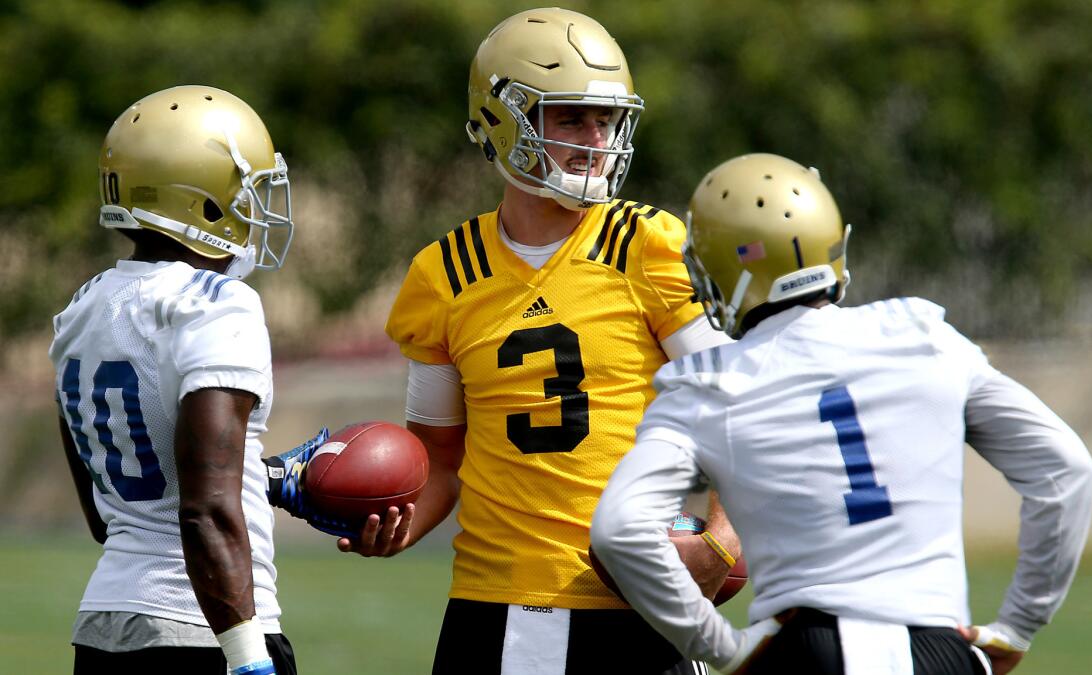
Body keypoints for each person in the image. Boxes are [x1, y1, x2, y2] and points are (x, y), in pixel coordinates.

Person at [324, 7, 736, 674]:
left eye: (606, 119)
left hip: (635, 601)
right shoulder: (444, 273)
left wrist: (720, 541)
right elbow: (440, 458)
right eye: (571, 116)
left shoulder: (650, 246)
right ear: (503, 120)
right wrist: (392, 521)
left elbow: (741, 407)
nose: (596, 139)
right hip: (494, 603)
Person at [591, 153, 1092, 675]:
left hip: (806, 650)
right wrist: (1018, 625)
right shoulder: (923, 334)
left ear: (719, 267)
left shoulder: (708, 383)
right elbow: (1066, 470)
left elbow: (619, 528)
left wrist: (719, 646)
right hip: (940, 651)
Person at [51, 85, 299, 675]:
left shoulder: (82, 306)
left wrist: (277, 479)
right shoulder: (216, 305)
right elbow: (203, 510)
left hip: (104, 629)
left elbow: (112, 501)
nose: (257, 207)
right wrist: (247, 658)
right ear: (200, 197)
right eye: (247, 190)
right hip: (204, 629)